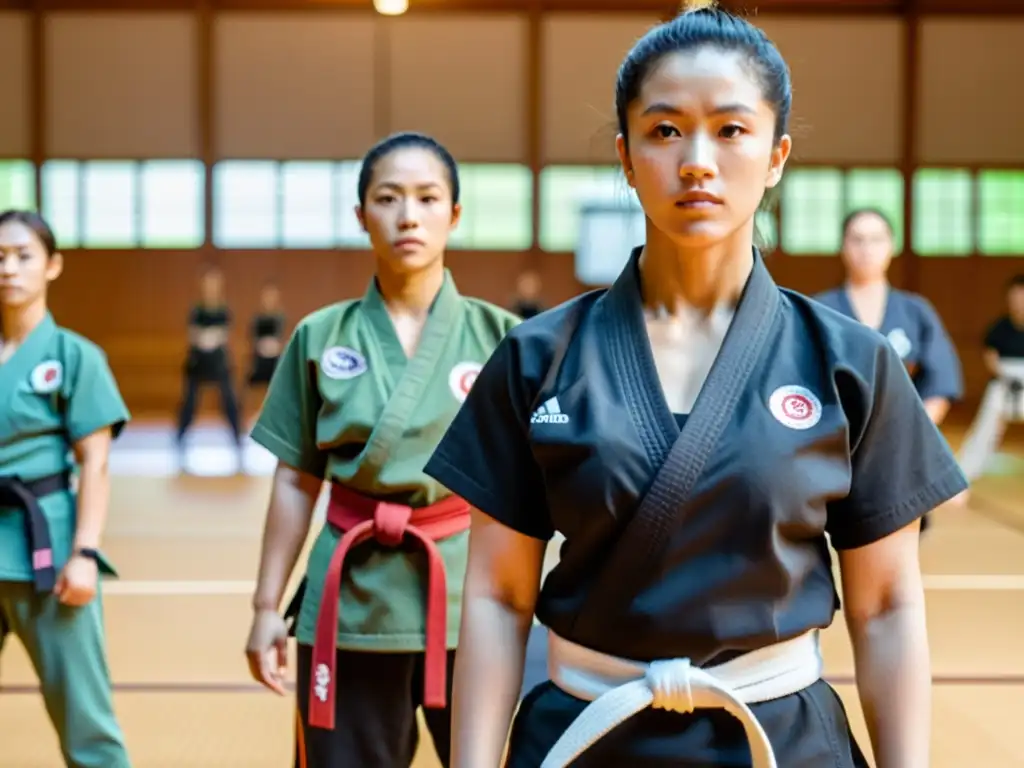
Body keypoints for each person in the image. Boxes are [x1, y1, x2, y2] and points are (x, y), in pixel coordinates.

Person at [422, 5, 967, 768]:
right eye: (665, 129)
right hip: (584, 737)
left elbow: (885, 607)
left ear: (776, 155)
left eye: (732, 130)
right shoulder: (537, 356)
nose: (698, 160)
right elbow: (497, 597)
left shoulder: (848, 360)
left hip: (780, 741)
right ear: (626, 154)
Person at [242, 131, 520, 768]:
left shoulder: (502, 336)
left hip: (471, 604)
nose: (408, 215)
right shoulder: (321, 335)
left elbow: (533, 490)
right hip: (351, 604)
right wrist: (264, 607)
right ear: (361, 215)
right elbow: (294, 482)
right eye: (388, 198)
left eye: (427, 198)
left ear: (453, 214)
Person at [0, 210, 132, 767]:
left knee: (84, 714)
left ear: (52, 265)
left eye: (23, 255)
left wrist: (85, 552)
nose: (9, 268)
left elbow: (95, 462)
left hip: (45, 547)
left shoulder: (75, 356)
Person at [814, 207, 963, 529]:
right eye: (857, 239)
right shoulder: (819, 310)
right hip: (835, 451)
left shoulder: (915, 311)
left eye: (876, 239)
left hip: (900, 455)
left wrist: (903, 435)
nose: (867, 249)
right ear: (843, 246)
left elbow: (940, 383)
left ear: (891, 246)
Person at [175, 264, 243, 471]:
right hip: (197, 363)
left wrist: (212, 339)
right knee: (189, 402)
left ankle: (237, 441)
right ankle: (180, 439)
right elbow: (192, 334)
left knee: (230, 400)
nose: (210, 287)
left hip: (219, 363)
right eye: (207, 283)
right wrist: (203, 339)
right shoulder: (196, 310)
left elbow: (225, 334)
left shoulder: (224, 310)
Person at [957, 274, 1024, 482]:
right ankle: (962, 477)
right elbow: (990, 356)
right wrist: (1005, 374)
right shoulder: (1000, 328)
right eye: (1015, 296)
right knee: (984, 429)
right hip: (1004, 383)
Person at [244, 280, 286, 415]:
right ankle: (249, 416)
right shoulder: (257, 319)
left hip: (275, 361)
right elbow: (252, 340)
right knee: (246, 385)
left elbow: (283, 340)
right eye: (267, 296)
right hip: (260, 361)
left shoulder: (280, 318)